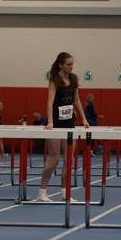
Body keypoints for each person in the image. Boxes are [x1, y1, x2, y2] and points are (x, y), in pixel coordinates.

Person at [37, 52, 89, 202]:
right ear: (60, 65)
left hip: (69, 122)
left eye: (72, 64)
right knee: (54, 159)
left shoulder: (74, 78)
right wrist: (50, 122)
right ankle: (42, 192)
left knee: (69, 160)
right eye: (68, 64)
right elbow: (49, 102)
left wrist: (84, 118)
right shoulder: (54, 80)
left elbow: (76, 100)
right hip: (56, 123)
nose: (71, 67)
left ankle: (65, 193)